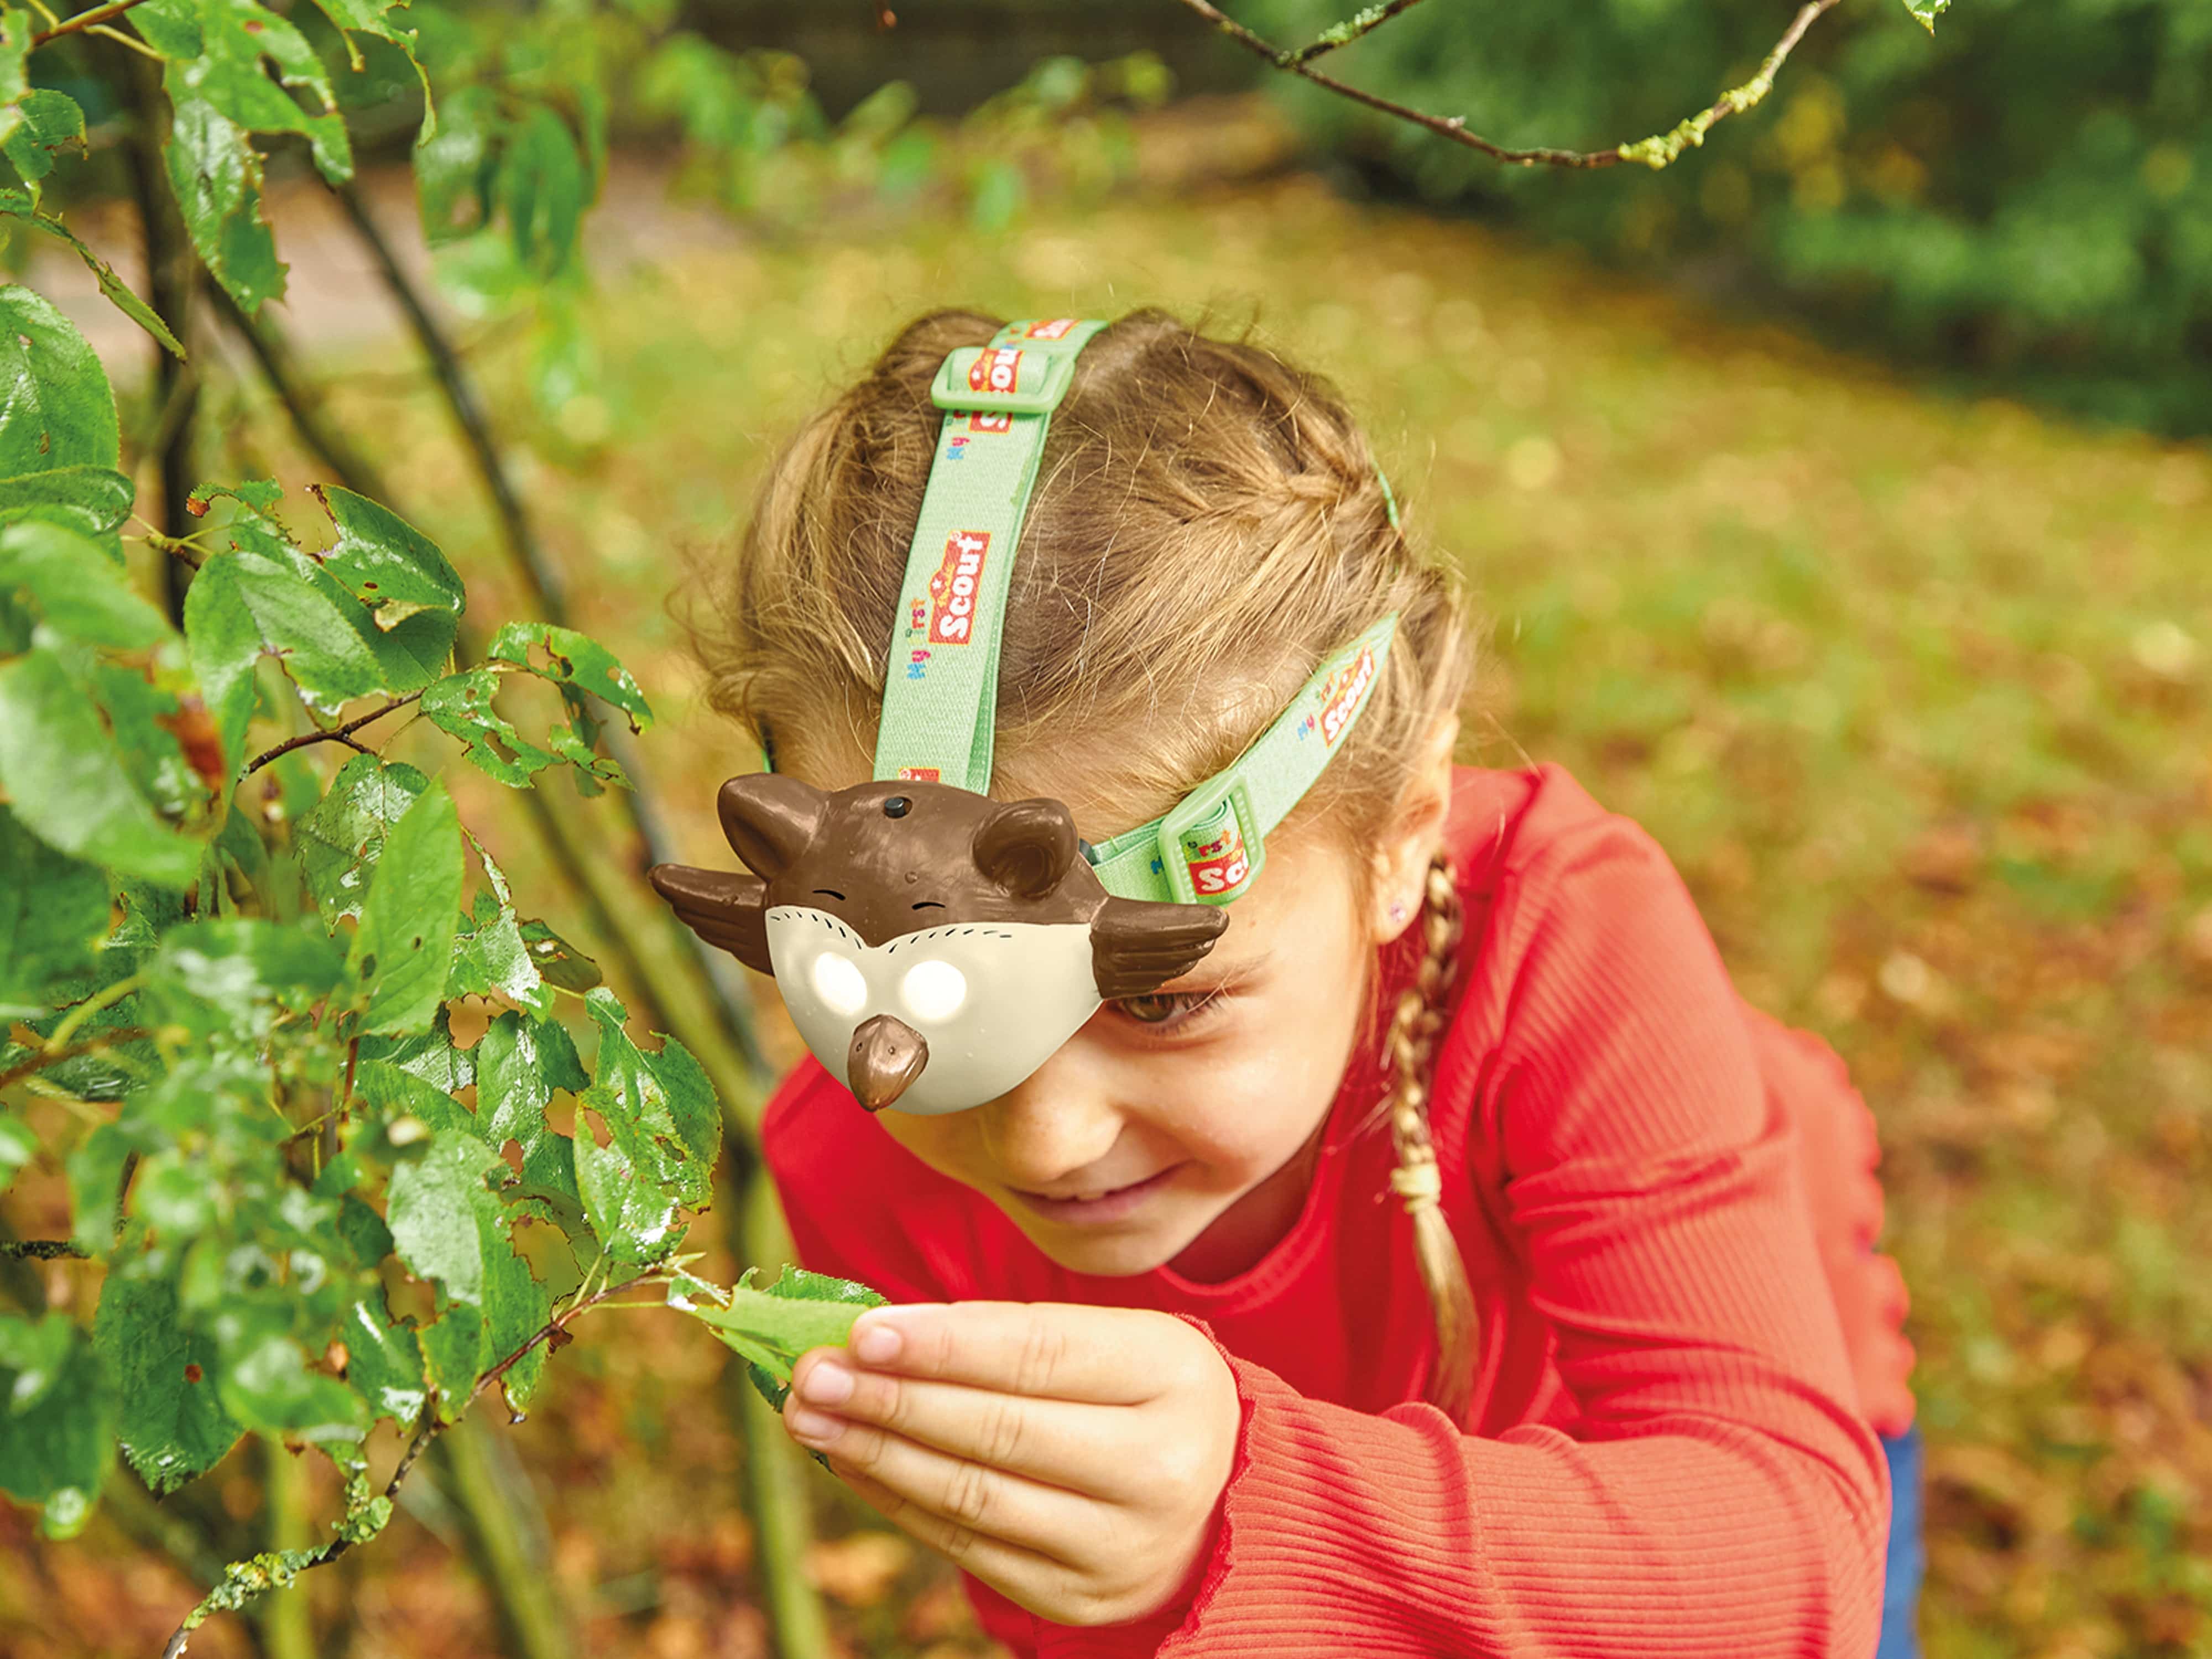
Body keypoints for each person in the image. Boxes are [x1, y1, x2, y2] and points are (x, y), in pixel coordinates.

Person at [682, 309, 1919, 1656]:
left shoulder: (1559, 944)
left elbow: (1787, 1572)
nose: (1043, 1137)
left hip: (1688, 1487)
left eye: (1159, 1000)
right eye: (917, 1006)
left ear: (1398, 843)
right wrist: (1157, 1570)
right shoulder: (858, 1169)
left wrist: (1245, 1514)